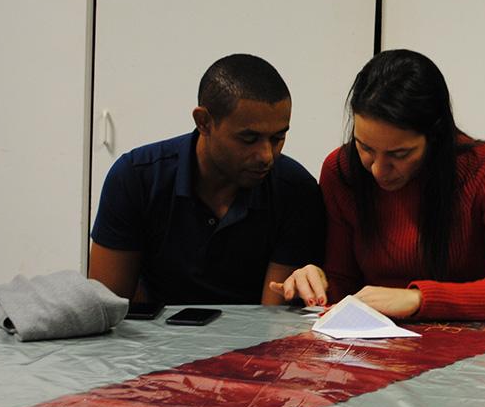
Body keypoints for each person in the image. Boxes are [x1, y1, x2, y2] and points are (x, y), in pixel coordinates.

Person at [273, 49, 485, 321]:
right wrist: (317, 282)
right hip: (376, 341)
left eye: (399, 154)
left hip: (471, 343)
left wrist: (417, 298)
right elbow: (344, 284)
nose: (378, 169)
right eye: (365, 147)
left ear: (435, 137)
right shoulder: (341, 170)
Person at [89, 54, 325, 305]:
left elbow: (273, 317)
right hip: (151, 327)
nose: (266, 156)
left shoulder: (296, 190)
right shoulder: (137, 177)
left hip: (256, 331)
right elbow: (106, 307)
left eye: (278, 138)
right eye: (249, 139)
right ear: (203, 122)